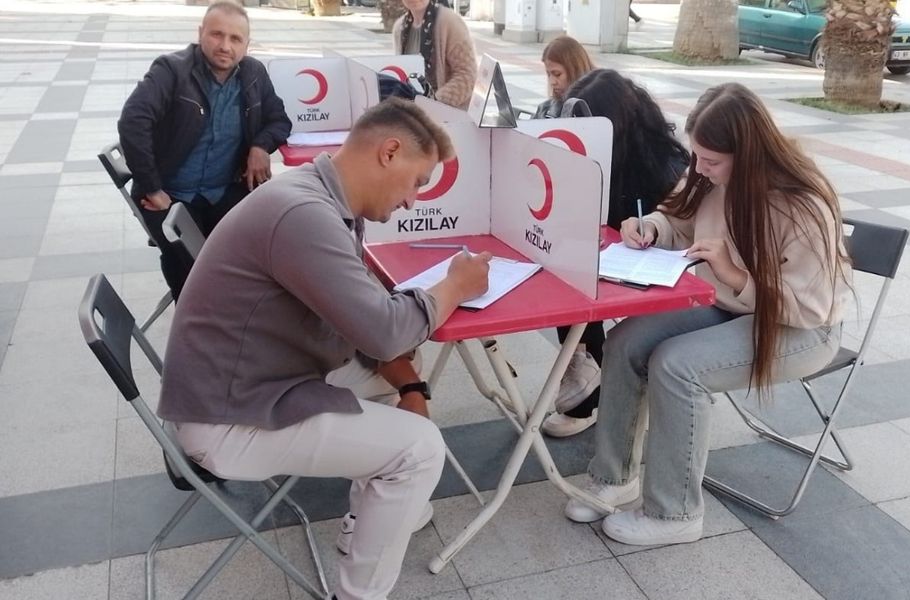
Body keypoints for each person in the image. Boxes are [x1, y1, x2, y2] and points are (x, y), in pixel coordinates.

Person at [156, 98, 491, 600]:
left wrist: (413, 387)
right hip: (225, 418)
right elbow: (381, 329)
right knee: (420, 450)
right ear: (390, 151)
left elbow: (372, 332)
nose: (413, 201)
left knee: (396, 369)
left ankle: (372, 514)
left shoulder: (317, 195)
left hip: (246, 383)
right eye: (417, 181)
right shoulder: (303, 214)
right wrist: (454, 288)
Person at [562, 82, 852, 548]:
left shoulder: (804, 202)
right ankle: (614, 478)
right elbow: (678, 218)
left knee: (677, 366)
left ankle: (674, 512)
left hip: (800, 328)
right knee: (625, 342)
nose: (699, 169)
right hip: (732, 304)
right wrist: (650, 228)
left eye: (712, 161)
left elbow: (810, 307)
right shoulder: (709, 173)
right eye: (697, 156)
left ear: (749, 155)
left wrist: (735, 275)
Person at [542, 69, 691, 438]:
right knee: (569, 274)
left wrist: (650, 230)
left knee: (583, 286)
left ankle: (602, 388)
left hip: (663, 274)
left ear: (616, 126)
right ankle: (587, 381)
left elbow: (682, 233)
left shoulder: (665, 166)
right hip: (616, 263)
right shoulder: (593, 153)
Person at [118, 1, 291, 301]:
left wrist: (260, 146)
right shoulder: (171, 70)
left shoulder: (253, 74)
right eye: (216, 35)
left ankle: (238, 315)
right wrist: (152, 186)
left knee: (263, 247)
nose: (225, 46)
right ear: (201, 34)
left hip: (223, 191)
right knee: (188, 261)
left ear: (247, 45)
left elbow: (279, 120)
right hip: (168, 195)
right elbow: (133, 122)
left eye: (235, 39)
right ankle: (194, 321)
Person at [393, 0, 477, 109]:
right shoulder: (400, 28)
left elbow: (468, 76)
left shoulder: (450, 22)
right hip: (413, 115)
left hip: (449, 117)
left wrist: (433, 103)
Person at [534, 35, 594, 119]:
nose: (552, 82)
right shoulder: (544, 110)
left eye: (557, 74)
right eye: (548, 74)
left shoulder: (599, 109)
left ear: (576, 70)